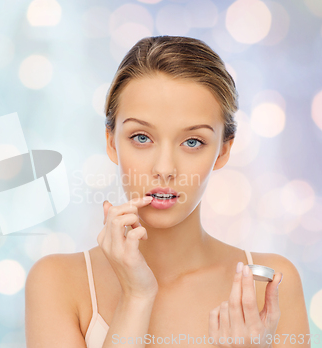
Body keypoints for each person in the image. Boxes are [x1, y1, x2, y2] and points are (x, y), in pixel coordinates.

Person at [25, 36, 311, 348]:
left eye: (192, 142)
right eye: (141, 137)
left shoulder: (270, 285)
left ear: (223, 151)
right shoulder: (57, 282)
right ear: (111, 141)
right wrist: (136, 296)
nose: (164, 168)